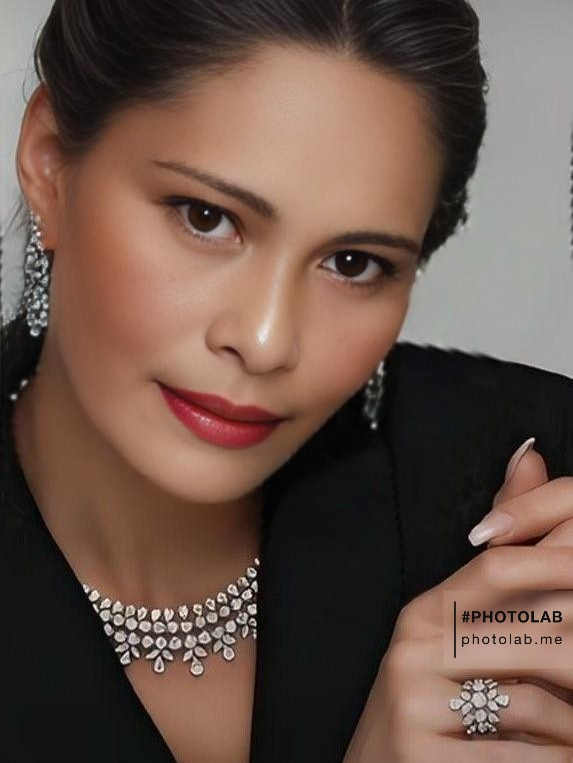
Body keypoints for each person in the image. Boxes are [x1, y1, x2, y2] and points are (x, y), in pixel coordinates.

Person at [2, 1, 573, 762]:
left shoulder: (524, 504)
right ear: (50, 164)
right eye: (206, 217)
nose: (267, 340)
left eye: (353, 263)